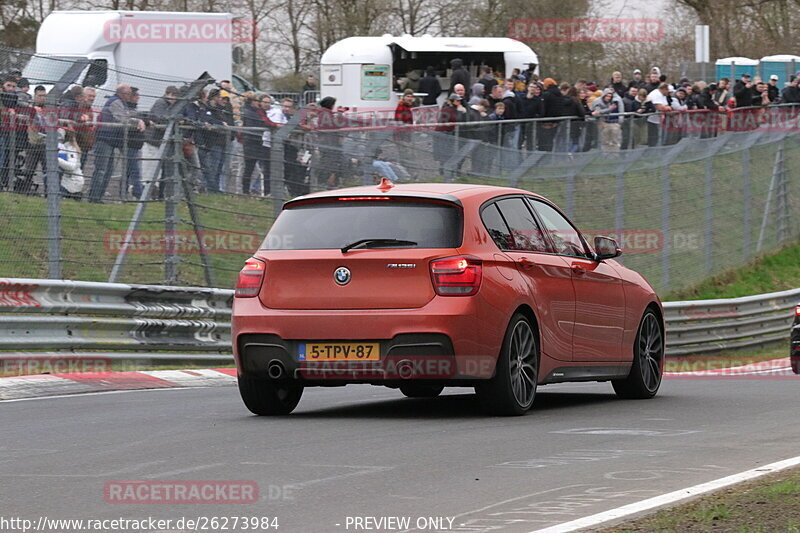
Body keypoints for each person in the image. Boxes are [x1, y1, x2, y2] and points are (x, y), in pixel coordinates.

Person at [88, 84, 145, 202]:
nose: (131, 96)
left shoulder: (120, 103)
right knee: (101, 170)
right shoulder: (116, 102)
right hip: (105, 139)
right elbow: (122, 118)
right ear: (123, 94)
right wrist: (137, 121)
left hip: (111, 139)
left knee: (108, 170)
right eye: (129, 93)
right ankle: (93, 197)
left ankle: (98, 197)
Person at [142, 86, 180, 192]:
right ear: (168, 94)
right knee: (150, 168)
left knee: (157, 169)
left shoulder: (169, 105)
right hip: (153, 140)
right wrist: (172, 121)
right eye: (173, 96)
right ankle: (146, 191)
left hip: (159, 141)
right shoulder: (161, 103)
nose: (174, 99)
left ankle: (154, 191)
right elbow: (160, 118)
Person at [195, 88, 228, 194]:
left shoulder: (220, 109)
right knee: (211, 167)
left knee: (218, 167)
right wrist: (220, 124)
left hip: (222, 141)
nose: (220, 99)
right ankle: (209, 190)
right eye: (219, 97)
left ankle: (216, 189)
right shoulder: (207, 108)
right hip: (212, 141)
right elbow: (206, 119)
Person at [240, 92, 272, 195]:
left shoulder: (257, 111)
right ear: (252, 101)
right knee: (249, 168)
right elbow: (258, 123)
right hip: (251, 143)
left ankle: (266, 191)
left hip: (258, 142)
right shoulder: (249, 112)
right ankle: (245, 191)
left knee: (263, 168)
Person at [518, 82, 544, 150]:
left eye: (534, 87)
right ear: (528, 87)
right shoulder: (521, 98)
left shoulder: (538, 100)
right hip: (521, 122)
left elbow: (541, 112)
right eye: (531, 87)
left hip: (531, 124)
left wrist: (535, 119)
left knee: (531, 142)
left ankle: (529, 157)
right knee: (519, 141)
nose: (532, 89)